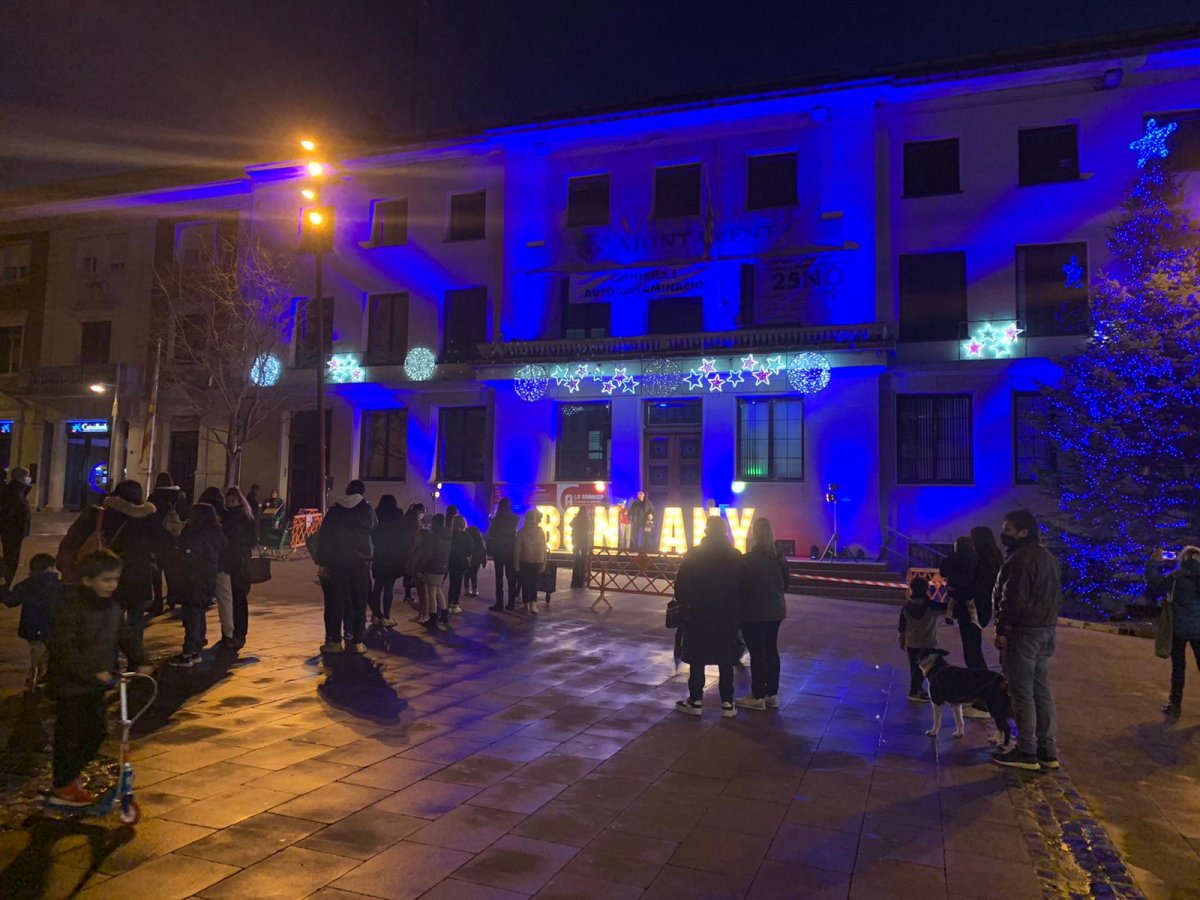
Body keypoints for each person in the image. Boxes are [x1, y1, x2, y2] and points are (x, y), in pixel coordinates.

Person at [48, 550, 124, 806]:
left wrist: (141, 658)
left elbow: (123, 634)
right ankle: (63, 784)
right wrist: (89, 674)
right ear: (87, 581)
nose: (112, 585)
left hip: (97, 685)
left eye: (115, 579)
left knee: (96, 733)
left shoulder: (112, 607)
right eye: (106, 580)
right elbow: (64, 647)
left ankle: (70, 776)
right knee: (70, 736)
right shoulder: (70, 607)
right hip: (71, 685)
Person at [992, 509, 1062, 771]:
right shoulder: (1047, 557)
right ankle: (1047, 749)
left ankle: (1026, 750)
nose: (1004, 534)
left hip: (1023, 632)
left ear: (1024, 532)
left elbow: (1013, 598)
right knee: (1040, 689)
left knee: (1022, 693)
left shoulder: (1021, 559)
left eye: (1008, 529)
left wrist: (1002, 628)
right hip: (1044, 630)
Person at [673, 516, 742, 717]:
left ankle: (695, 701)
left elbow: (681, 586)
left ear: (706, 531)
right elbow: (744, 586)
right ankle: (728, 703)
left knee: (698, 659)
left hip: (699, 614)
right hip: (727, 614)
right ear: (725, 532)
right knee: (726, 659)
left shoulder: (695, 555)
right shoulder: (735, 556)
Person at [100, 480, 171, 672]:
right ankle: (135, 661)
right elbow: (165, 540)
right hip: (139, 573)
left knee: (111, 620)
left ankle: (110, 661)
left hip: (111, 574)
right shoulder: (146, 517)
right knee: (136, 621)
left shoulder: (107, 513)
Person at [313, 481, 376, 653]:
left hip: (337, 562)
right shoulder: (367, 510)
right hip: (360, 563)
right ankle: (357, 641)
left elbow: (325, 537)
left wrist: (323, 561)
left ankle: (334, 641)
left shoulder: (335, 510)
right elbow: (374, 530)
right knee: (359, 603)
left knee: (335, 602)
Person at [735, 517, 788, 710]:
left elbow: (742, 587)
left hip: (754, 612)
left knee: (757, 653)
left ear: (754, 534)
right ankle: (771, 694)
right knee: (771, 650)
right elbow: (786, 585)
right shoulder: (779, 558)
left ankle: (757, 695)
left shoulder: (748, 560)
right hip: (776, 611)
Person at [168, 502, 226, 667]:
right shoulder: (216, 533)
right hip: (207, 578)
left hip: (194, 579)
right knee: (199, 613)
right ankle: (197, 648)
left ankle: (188, 653)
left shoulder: (196, 535)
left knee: (192, 616)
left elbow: (189, 557)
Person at [1146, 546, 1200, 717]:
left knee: (1179, 667)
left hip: (1178, 628)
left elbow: (1155, 583)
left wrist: (1153, 562)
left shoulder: (1177, 577)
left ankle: (1175, 705)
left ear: (1183, 559)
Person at [4, 552, 64, 690]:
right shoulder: (59, 586)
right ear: (49, 568)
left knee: (37, 652)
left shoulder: (25, 585)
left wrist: (2, 584)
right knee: (48, 655)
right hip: (52, 628)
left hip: (31, 628)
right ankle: (39, 680)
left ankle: (36, 678)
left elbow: (10, 601)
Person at [218, 486, 256, 650]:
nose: (230, 503)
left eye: (233, 500)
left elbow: (244, 539)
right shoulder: (243, 516)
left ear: (239, 501)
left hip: (236, 561)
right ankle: (235, 632)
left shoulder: (235, 517)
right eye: (228, 501)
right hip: (237, 560)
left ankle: (238, 632)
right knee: (235, 597)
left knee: (237, 597)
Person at [940, 536, 985, 670]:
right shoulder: (977, 559)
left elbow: (943, 571)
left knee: (969, 644)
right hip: (972, 594)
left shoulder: (952, 558)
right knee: (975, 642)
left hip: (956, 590)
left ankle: (949, 615)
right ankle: (975, 619)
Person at [899, 576, 944, 703]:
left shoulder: (906, 607)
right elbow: (945, 608)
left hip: (912, 642)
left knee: (914, 667)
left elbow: (901, 626)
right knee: (927, 668)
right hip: (928, 642)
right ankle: (916, 690)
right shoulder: (931, 606)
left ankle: (916, 689)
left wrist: (902, 640)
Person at [147, 472, 185, 616]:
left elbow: (151, 520)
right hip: (174, 539)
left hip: (157, 540)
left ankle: (157, 602)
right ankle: (172, 599)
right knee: (172, 571)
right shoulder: (179, 497)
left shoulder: (154, 498)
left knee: (156, 572)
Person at [369, 494, 405, 628]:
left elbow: (372, 534)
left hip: (380, 554)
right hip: (393, 555)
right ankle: (386, 616)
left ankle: (376, 615)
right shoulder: (398, 515)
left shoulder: (376, 514)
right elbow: (402, 535)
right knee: (389, 588)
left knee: (377, 587)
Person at [0, 465, 33, 586]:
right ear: (21, 478)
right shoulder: (14, 492)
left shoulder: (17, 490)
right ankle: (5, 584)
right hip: (12, 532)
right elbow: (12, 514)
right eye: (26, 476)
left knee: (11, 557)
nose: (28, 479)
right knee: (11, 558)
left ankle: (6, 583)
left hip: (13, 531)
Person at [418, 513, 452, 625]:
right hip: (442, 566)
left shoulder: (432, 538)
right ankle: (444, 613)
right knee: (438, 590)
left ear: (435, 523)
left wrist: (420, 567)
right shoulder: (447, 536)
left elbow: (427, 555)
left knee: (432, 592)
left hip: (432, 566)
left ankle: (433, 616)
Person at [487, 498, 520, 611]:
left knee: (499, 578)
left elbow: (490, 534)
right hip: (510, 552)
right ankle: (511, 603)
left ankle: (499, 603)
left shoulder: (495, 521)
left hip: (498, 551)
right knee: (511, 578)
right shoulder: (515, 519)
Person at [515, 508, 547, 615]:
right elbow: (544, 548)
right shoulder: (541, 532)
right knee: (534, 583)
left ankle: (526, 603)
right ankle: (533, 603)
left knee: (525, 583)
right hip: (538, 560)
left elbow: (517, 550)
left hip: (524, 561)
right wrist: (544, 562)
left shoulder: (520, 533)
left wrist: (516, 564)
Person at [398, 503, 424, 603]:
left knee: (407, 573)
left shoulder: (407, 518)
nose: (422, 514)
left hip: (405, 548)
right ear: (418, 511)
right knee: (410, 572)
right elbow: (416, 535)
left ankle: (407, 594)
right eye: (422, 512)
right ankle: (408, 595)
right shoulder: (413, 521)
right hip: (411, 549)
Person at [448, 515, 471, 614]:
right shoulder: (466, 536)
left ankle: (449, 603)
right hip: (461, 562)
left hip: (451, 561)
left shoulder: (451, 535)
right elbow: (470, 550)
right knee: (458, 583)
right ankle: (455, 604)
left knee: (452, 583)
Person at [570, 507, 594, 588]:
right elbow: (591, 528)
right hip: (584, 543)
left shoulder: (576, 519)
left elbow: (571, 524)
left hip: (576, 542)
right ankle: (581, 582)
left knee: (576, 561)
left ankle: (574, 581)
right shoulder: (587, 520)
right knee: (583, 562)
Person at [464, 520, 486, 597]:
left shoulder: (468, 540)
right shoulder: (480, 542)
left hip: (469, 560)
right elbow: (483, 552)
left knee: (467, 575)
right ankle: (475, 590)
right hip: (477, 561)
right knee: (474, 575)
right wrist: (484, 562)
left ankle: (467, 590)